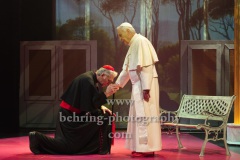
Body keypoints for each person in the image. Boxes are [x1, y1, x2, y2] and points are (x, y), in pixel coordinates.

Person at [29, 65, 119, 155]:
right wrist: (106, 94)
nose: (108, 83)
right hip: (68, 116)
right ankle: (37, 137)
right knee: (68, 147)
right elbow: (89, 106)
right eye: (109, 80)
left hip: (72, 115)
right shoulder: (87, 80)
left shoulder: (90, 78)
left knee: (72, 145)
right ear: (103, 75)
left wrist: (101, 107)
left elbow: (90, 100)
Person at [115, 22, 161, 157]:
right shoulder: (134, 44)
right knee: (137, 116)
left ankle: (147, 148)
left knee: (145, 115)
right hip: (138, 85)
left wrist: (146, 89)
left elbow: (146, 67)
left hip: (145, 85)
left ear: (128, 31)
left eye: (121, 35)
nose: (120, 39)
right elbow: (128, 68)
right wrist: (117, 85)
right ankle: (139, 146)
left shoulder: (140, 41)